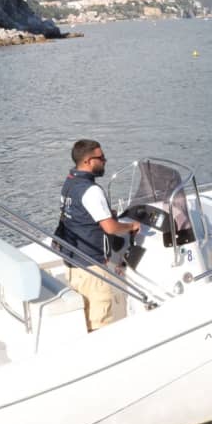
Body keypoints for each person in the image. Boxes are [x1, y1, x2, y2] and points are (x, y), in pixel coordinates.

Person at [54, 139, 141, 331]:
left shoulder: (69, 183)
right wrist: (131, 226)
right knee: (103, 324)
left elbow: (79, 215)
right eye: (101, 157)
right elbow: (110, 228)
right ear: (87, 161)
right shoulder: (92, 191)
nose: (105, 160)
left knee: (89, 319)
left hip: (74, 265)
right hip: (93, 268)